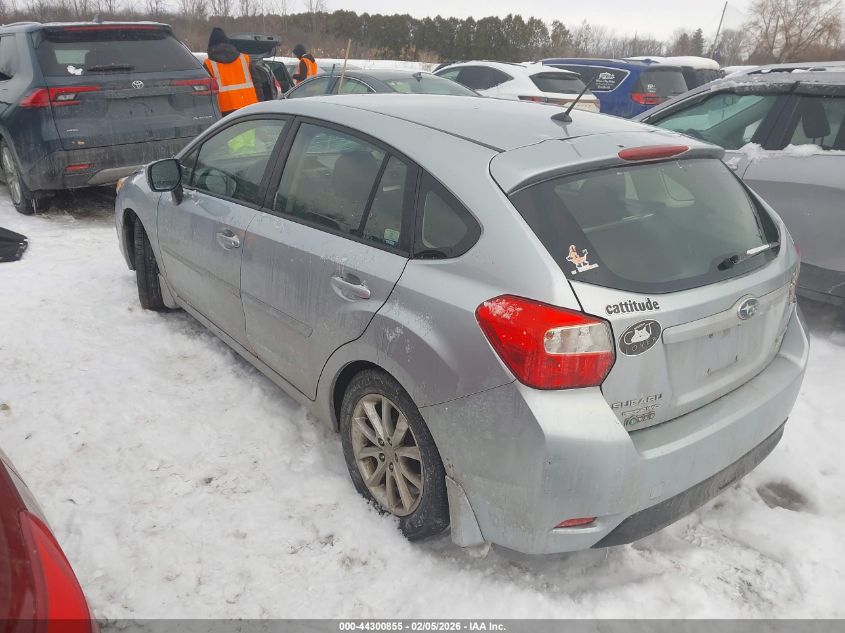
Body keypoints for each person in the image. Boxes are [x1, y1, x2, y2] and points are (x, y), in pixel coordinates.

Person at [203, 27, 258, 116]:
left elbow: (206, 91)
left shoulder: (208, 64)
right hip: (249, 107)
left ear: (210, 45)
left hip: (222, 110)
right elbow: (257, 83)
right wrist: (260, 103)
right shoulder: (245, 59)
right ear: (228, 42)